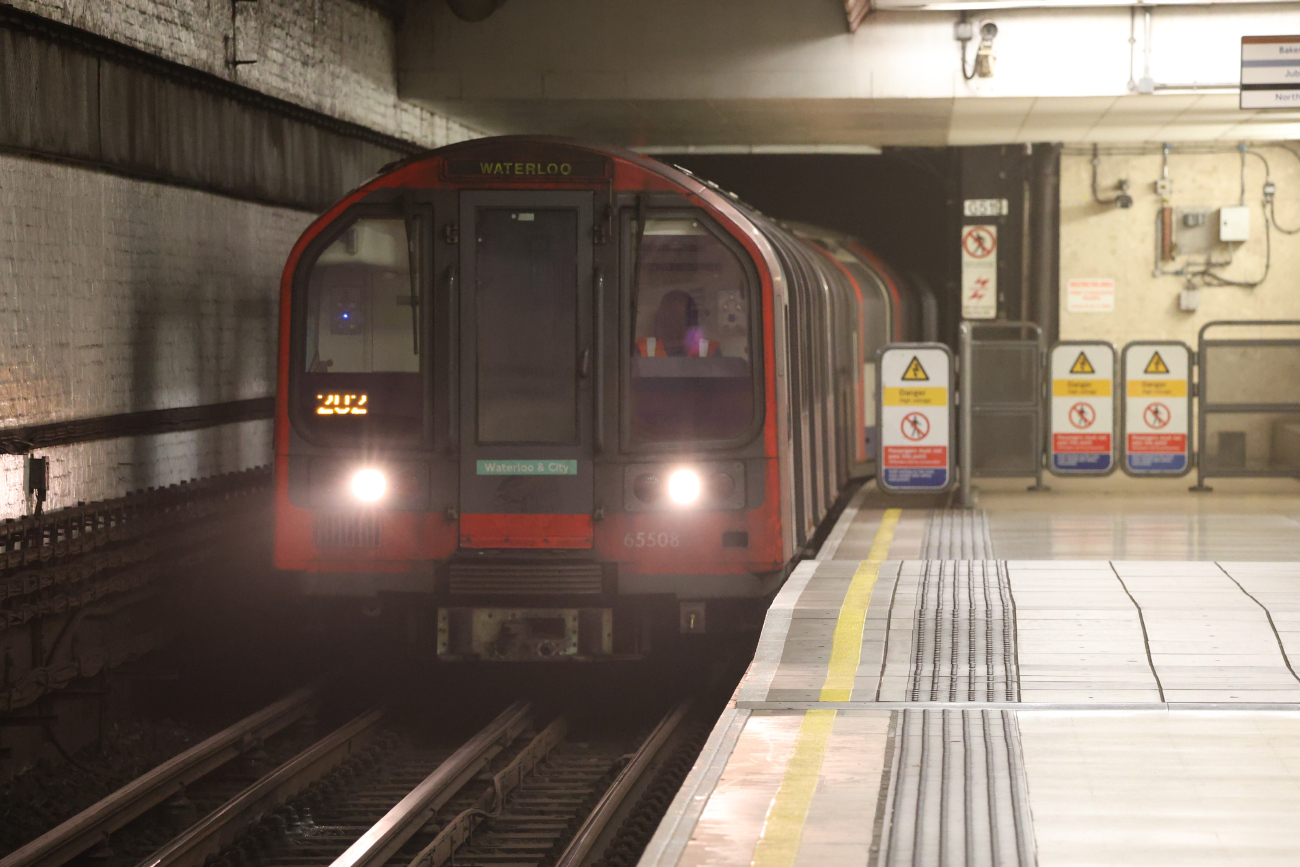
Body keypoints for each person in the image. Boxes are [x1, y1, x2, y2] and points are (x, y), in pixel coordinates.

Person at [635, 289, 721, 357]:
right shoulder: (641, 349)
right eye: (668, 318)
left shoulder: (710, 351)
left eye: (679, 318)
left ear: (692, 323)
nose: (673, 324)